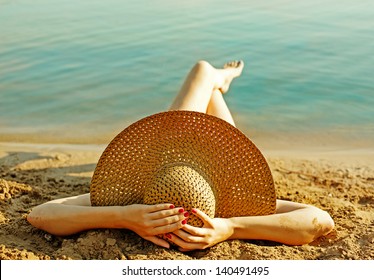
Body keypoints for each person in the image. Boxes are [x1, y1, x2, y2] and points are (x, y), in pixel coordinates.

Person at [27, 60, 334, 251]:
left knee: (201, 72)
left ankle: (214, 80)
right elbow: (320, 221)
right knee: (202, 75)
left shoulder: (133, 200)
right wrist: (231, 227)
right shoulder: (231, 203)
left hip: (169, 159)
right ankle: (216, 81)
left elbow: (41, 215)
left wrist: (125, 216)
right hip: (219, 168)